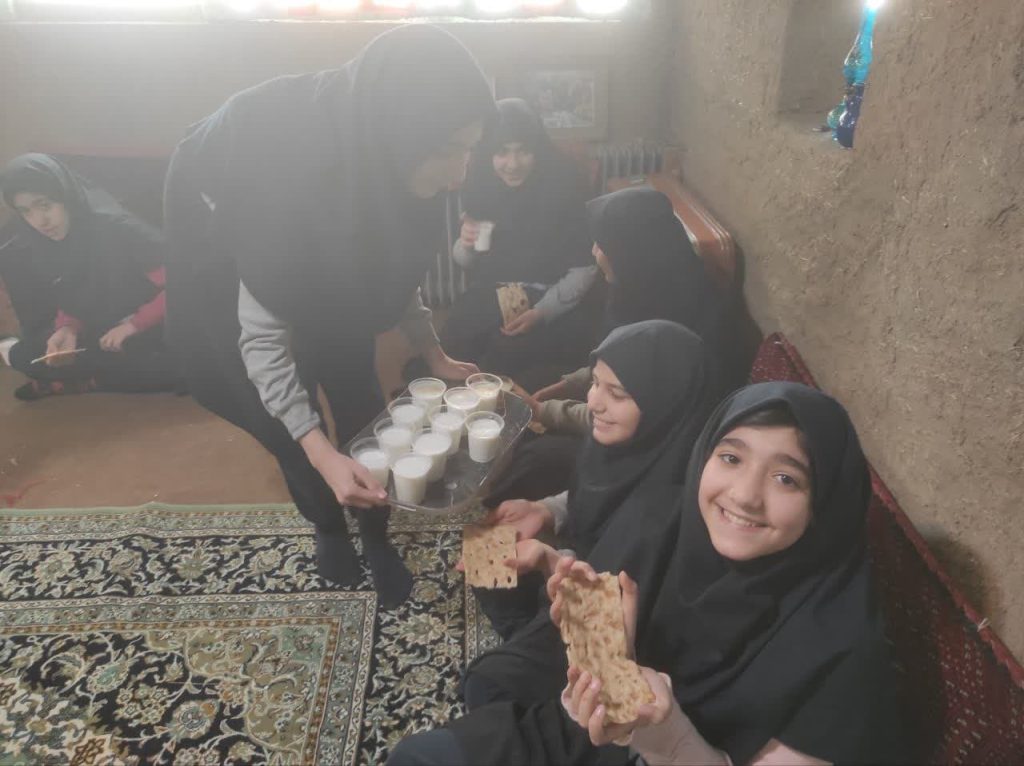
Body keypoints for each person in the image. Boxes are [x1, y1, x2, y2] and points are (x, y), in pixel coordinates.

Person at [388, 382, 908, 765]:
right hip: (591, 727)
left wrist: (665, 733)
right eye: (730, 458)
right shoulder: (666, 520)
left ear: (826, 503)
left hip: (668, 751)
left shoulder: (844, 653)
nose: (746, 495)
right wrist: (596, 629)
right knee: (430, 743)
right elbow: (604, 655)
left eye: (785, 478)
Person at [162, 25, 496, 608]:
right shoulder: (286, 196)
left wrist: (433, 351)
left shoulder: (378, 162)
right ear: (402, 136)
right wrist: (320, 452)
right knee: (290, 428)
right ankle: (327, 523)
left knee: (357, 389)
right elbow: (261, 344)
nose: (460, 174)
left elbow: (391, 270)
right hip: (224, 247)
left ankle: (375, 529)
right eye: (448, 150)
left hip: (320, 230)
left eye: (470, 149)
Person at [462, 319, 713, 706]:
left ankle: (545, 646)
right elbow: (596, 494)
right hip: (579, 564)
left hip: (615, 622)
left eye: (617, 393)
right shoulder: (631, 446)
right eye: (595, 383)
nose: (594, 402)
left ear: (665, 405)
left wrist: (550, 560)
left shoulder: (671, 502)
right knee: (484, 550)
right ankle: (528, 631)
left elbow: (614, 597)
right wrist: (545, 510)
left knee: (488, 684)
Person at [485, 186, 737, 506]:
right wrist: (569, 384)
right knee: (535, 380)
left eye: (603, 245)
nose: (594, 252)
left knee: (541, 456)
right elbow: (616, 361)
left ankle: (489, 508)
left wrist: (544, 412)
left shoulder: (681, 325)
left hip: (653, 440)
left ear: (631, 250)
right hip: (620, 399)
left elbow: (639, 415)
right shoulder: (640, 284)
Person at [439, 98, 599, 389]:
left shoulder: (563, 189)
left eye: (523, 151)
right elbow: (467, 261)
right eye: (502, 152)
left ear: (537, 150)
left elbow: (584, 269)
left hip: (551, 296)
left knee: (503, 355)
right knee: (454, 344)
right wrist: (465, 243)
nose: (512, 165)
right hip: (494, 291)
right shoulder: (482, 185)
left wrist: (542, 313)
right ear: (488, 153)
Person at [0, 154, 178, 400]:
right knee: (30, 354)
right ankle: (94, 379)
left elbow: (180, 290)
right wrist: (68, 328)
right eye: (26, 212)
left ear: (65, 195)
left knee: (183, 365)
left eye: (45, 205)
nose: (40, 221)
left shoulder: (116, 228)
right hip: (106, 333)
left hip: (157, 326)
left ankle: (81, 382)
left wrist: (134, 325)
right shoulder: (46, 242)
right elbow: (74, 293)